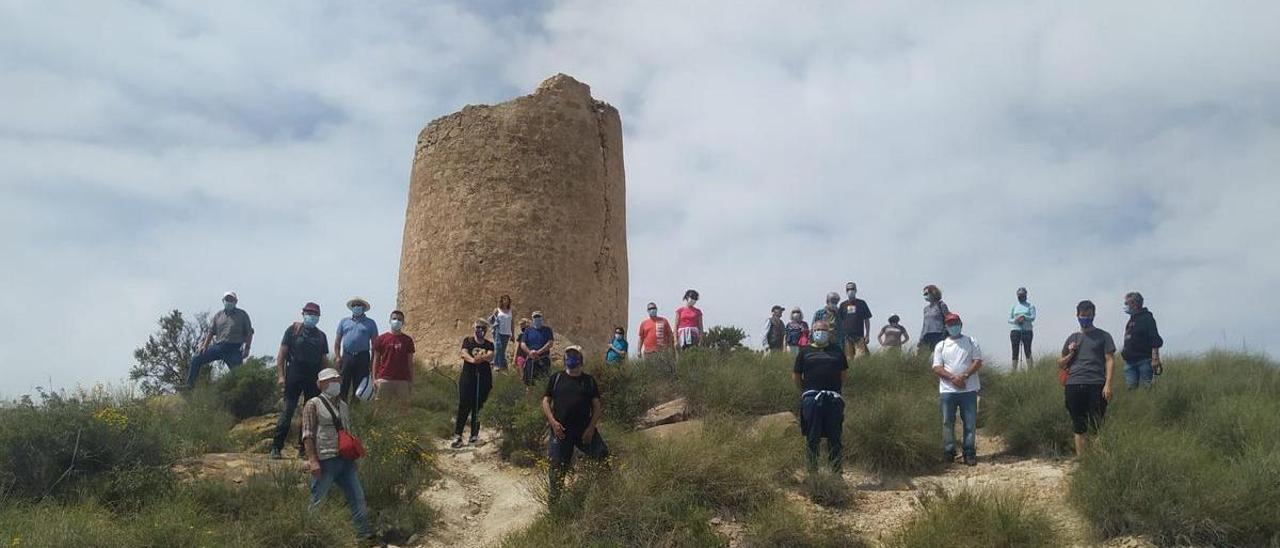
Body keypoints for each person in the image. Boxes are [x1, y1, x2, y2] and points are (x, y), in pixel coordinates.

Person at [302, 368, 372, 542]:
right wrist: (313, 460)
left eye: (337, 379)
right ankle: (309, 538)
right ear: (321, 384)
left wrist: (354, 458)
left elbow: (347, 432)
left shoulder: (344, 406)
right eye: (331, 380)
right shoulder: (313, 404)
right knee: (317, 500)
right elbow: (307, 434)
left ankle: (364, 537)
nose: (336, 383)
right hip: (326, 460)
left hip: (346, 460)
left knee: (357, 498)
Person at [541, 345, 608, 504]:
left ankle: (606, 494)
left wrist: (591, 428)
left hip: (584, 430)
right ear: (565, 362)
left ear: (580, 361)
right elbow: (545, 400)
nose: (572, 363)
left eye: (575, 360)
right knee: (557, 466)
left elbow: (597, 406)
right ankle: (555, 504)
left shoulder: (588, 381)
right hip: (561, 431)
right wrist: (552, 421)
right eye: (569, 360)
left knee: (602, 456)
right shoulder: (556, 378)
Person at [272, 302, 330, 460]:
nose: (311, 316)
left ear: (318, 317)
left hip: (313, 376)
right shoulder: (293, 331)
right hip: (294, 374)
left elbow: (324, 360)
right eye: (309, 313)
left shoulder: (321, 336)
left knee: (309, 414)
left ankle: (304, 449)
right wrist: (281, 376)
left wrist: (325, 380)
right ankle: (276, 447)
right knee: (288, 410)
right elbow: (281, 355)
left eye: (315, 314)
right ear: (303, 313)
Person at [1059, 300, 1116, 456]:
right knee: (1078, 425)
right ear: (1077, 315)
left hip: (1096, 383)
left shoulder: (1104, 336)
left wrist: (1108, 384)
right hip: (1073, 384)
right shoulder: (1073, 337)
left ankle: (1096, 461)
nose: (1085, 318)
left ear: (1094, 315)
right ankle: (1082, 460)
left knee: (1096, 424)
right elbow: (1060, 362)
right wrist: (1071, 352)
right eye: (1082, 315)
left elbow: (1109, 360)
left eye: (1088, 315)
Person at [793, 320, 848, 474]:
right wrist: (806, 391)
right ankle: (812, 473)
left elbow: (843, 375)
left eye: (823, 330)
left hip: (833, 399)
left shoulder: (837, 350)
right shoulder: (805, 352)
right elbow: (797, 375)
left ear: (829, 332)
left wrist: (834, 389)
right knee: (812, 437)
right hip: (811, 398)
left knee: (835, 437)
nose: (820, 332)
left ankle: (836, 474)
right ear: (812, 331)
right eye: (817, 329)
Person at [931, 313, 983, 466]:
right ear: (946, 327)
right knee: (947, 421)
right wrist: (953, 378)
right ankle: (949, 451)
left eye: (955, 323)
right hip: (948, 390)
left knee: (970, 422)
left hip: (969, 390)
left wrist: (964, 376)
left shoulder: (971, 341)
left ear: (961, 324)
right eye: (949, 323)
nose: (952, 326)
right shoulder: (941, 345)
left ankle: (969, 452)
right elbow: (936, 367)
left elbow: (977, 361)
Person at [187, 291, 254, 389]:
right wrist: (205, 346)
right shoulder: (218, 315)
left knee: (239, 376)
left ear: (236, 301)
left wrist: (247, 348)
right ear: (223, 301)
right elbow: (211, 332)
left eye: (231, 299)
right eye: (227, 299)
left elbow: (249, 332)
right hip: (219, 347)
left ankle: (241, 394)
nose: (229, 301)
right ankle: (190, 386)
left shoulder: (242, 315)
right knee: (196, 358)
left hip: (234, 349)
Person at [453, 320, 495, 447]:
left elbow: (491, 356)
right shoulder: (468, 341)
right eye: (478, 327)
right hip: (468, 377)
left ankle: (474, 435)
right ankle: (458, 436)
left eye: (483, 328)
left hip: (483, 378)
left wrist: (481, 358)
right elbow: (464, 353)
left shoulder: (489, 344)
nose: (480, 330)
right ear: (474, 328)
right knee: (464, 405)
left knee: (479, 406)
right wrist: (473, 360)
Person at [335, 297, 378, 403]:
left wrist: (372, 362)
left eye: (359, 305)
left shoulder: (370, 323)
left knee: (359, 387)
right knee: (343, 385)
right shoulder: (344, 322)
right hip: (347, 356)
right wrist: (337, 356)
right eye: (354, 305)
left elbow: (375, 345)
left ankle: (356, 411)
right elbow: (337, 341)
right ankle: (341, 410)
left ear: (363, 308)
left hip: (362, 357)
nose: (356, 307)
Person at [1121, 292, 1164, 389]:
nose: (1125, 306)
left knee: (1145, 389)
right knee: (1131, 391)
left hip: (1144, 361)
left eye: (1127, 304)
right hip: (1129, 362)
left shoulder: (1147, 318)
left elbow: (1154, 338)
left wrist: (1155, 358)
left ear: (1135, 304)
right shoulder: (1131, 320)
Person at [371, 310, 415, 401]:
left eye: (399, 319)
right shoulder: (381, 339)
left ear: (403, 322)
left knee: (403, 408)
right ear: (390, 320)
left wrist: (411, 380)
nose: (396, 321)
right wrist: (375, 379)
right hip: (384, 379)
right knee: (380, 407)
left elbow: (410, 362)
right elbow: (376, 360)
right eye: (394, 318)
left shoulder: (408, 340)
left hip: (403, 380)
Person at [838, 282, 873, 359]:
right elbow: (839, 322)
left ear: (856, 290)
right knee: (848, 359)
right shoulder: (842, 305)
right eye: (848, 289)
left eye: (852, 289)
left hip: (859, 336)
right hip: (846, 337)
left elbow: (867, 319)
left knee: (860, 358)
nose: (850, 290)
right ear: (846, 291)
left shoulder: (862, 303)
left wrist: (867, 335)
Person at [520, 311, 554, 387]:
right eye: (535, 317)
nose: (537, 319)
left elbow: (550, 343)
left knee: (544, 382)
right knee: (529, 384)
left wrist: (538, 352)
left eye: (538, 317)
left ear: (541, 318)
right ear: (532, 319)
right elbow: (523, 344)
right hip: (531, 359)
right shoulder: (528, 330)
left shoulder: (547, 330)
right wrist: (529, 352)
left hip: (543, 359)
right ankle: (529, 398)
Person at [1009, 287, 1036, 370]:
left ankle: (1030, 370)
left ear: (1025, 295)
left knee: (1027, 350)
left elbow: (1033, 317)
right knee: (1015, 351)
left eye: (1022, 295)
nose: (1020, 296)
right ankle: (1014, 371)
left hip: (1027, 331)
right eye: (1019, 295)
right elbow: (1009, 319)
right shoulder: (1014, 306)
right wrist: (1016, 320)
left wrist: (1024, 317)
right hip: (1015, 330)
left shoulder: (1030, 306)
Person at [918, 285, 950, 355]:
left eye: (926, 294)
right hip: (927, 335)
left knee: (939, 355)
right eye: (924, 294)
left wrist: (946, 334)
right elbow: (924, 324)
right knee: (921, 356)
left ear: (933, 293)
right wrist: (921, 338)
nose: (925, 296)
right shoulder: (926, 309)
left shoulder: (941, 305)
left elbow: (948, 319)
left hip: (938, 334)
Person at [490, 295, 514, 372]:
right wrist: (493, 330)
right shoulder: (497, 310)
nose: (506, 301)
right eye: (504, 299)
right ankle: (496, 365)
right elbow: (492, 320)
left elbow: (512, 323)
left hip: (507, 333)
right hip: (498, 331)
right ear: (501, 301)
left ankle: (503, 366)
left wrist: (513, 334)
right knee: (498, 347)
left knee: (502, 350)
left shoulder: (510, 311)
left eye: (507, 300)